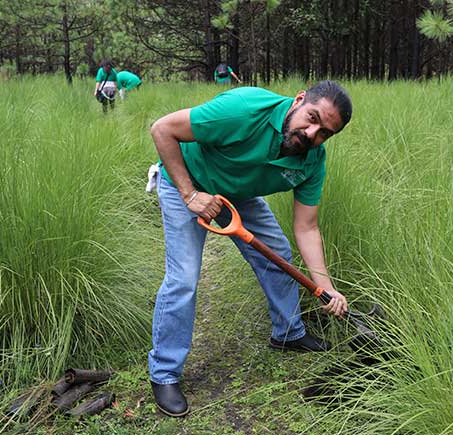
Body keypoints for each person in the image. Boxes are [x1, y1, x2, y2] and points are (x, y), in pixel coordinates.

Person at [147, 80, 352, 417]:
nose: (312, 133)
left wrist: (325, 287)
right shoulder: (243, 110)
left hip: (238, 192)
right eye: (312, 118)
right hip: (186, 181)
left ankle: (288, 333)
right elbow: (163, 129)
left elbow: (307, 227)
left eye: (324, 132)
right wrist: (190, 195)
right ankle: (165, 372)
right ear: (299, 100)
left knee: (278, 255)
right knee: (183, 278)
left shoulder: (312, 160)